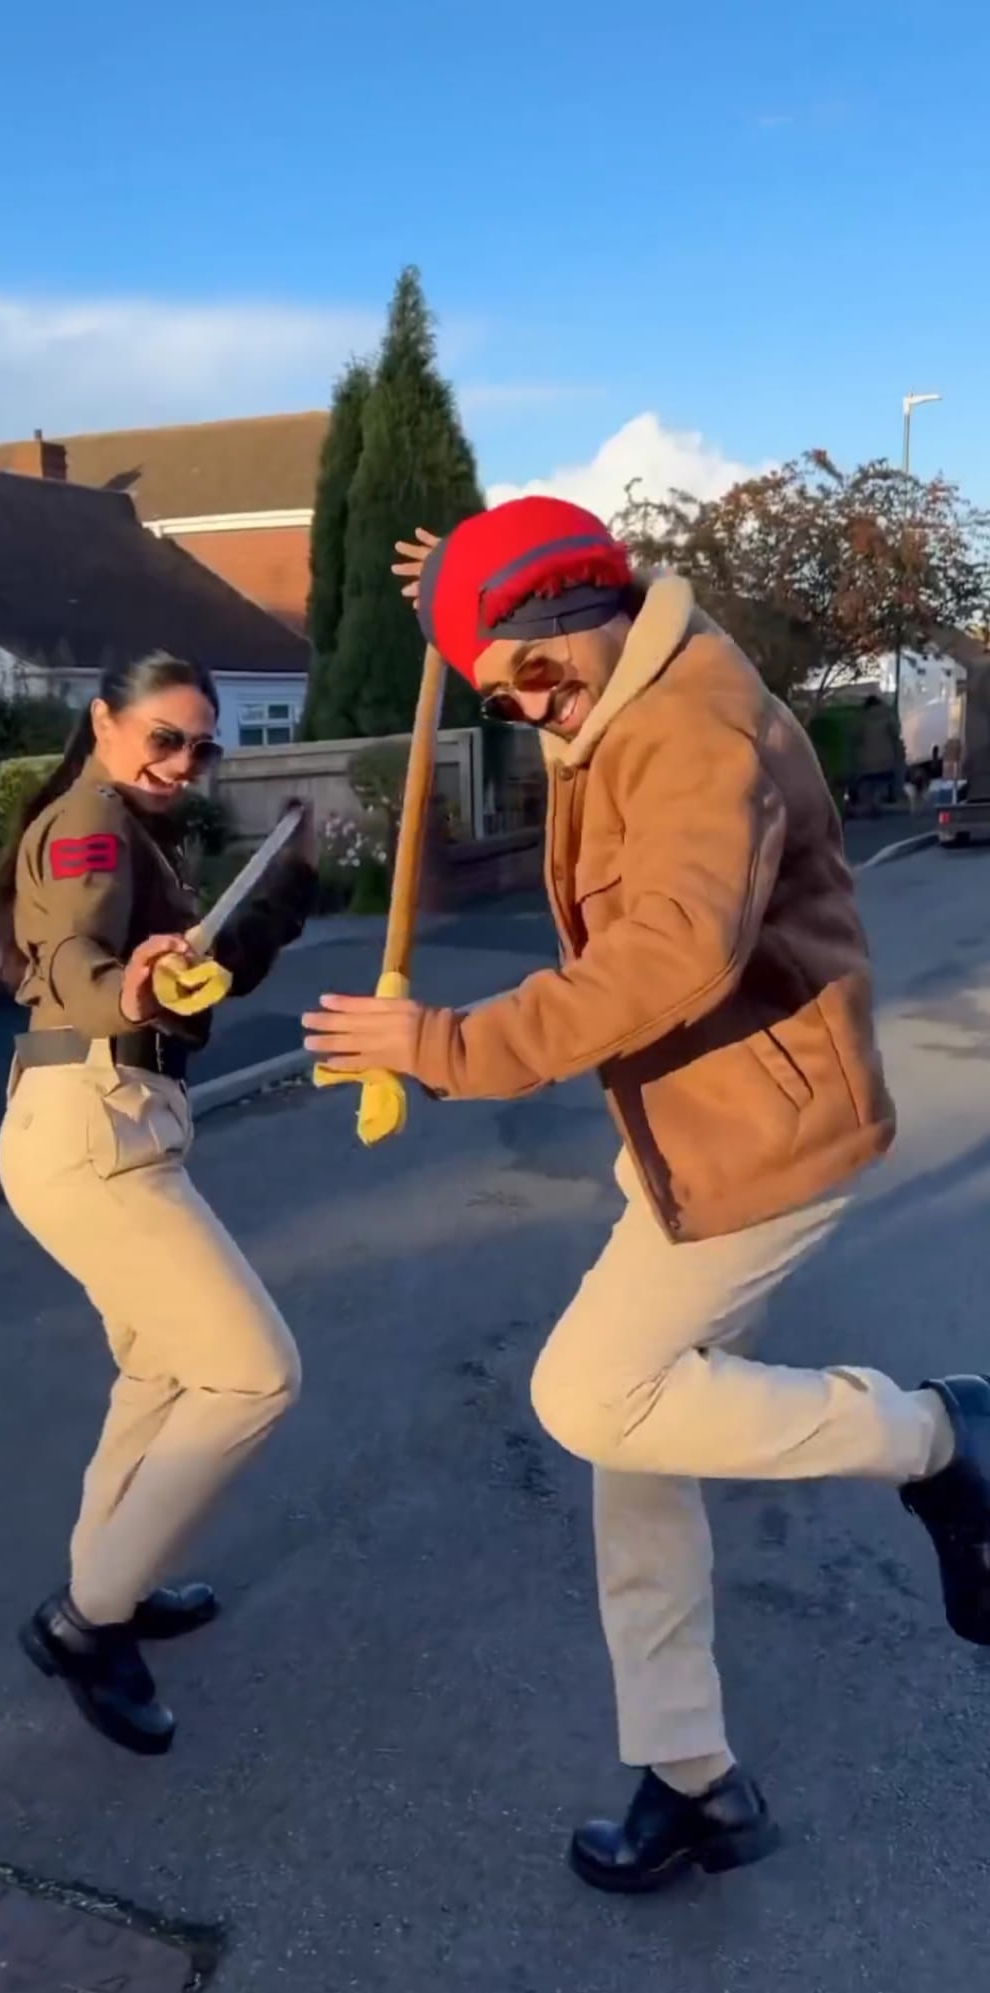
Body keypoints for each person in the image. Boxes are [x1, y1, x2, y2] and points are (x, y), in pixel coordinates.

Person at [305, 498, 990, 1892]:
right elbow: (539, 590)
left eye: (530, 675)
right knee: (641, 1450)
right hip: (688, 1136)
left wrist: (443, 1045)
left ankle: (940, 1436)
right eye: (503, 695)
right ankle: (692, 1774)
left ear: (583, 616)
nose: (529, 711)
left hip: (759, 1146)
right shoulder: (610, 675)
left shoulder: (692, 728)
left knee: (588, 1395)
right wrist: (464, 582)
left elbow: (671, 952)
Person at [0, 651, 316, 1756]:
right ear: (104, 721)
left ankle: (111, 1585)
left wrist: (283, 890)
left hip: (120, 1120)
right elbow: (78, 954)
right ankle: (87, 1620)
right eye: (164, 737)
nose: (182, 761)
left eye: (200, 746)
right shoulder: (90, 821)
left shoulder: (141, 830)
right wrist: (122, 983)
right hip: (94, 1127)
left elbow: (202, 976)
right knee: (256, 1372)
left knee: (163, 1372)